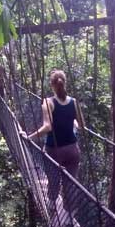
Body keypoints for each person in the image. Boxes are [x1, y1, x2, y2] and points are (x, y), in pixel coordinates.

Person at [19, 69, 85, 213]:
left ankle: (52, 206)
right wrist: (73, 124)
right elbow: (82, 126)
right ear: (64, 83)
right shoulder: (74, 102)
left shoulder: (48, 102)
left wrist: (28, 137)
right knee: (70, 184)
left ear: (52, 86)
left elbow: (48, 127)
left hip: (54, 151)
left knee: (53, 179)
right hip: (73, 150)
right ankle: (69, 217)